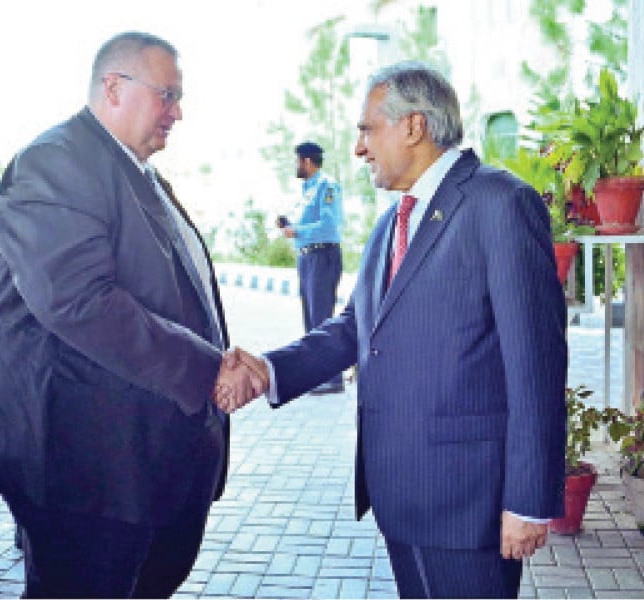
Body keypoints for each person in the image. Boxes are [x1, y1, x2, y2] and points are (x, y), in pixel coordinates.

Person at [221, 62, 567, 598]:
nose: (359, 148)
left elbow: (537, 365)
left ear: (413, 126)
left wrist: (529, 500)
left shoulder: (500, 203)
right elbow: (355, 326)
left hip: (467, 501)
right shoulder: (391, 221)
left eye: (366, 129)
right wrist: (269, 370)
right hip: (400, 492)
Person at [0, 31, 261, 598]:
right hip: (83, 469)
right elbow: (78, 300)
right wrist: (210, 370)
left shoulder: (133, 170)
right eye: (168, 94)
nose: (179, 112)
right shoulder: (55, 162)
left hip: (133, 463)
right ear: (114, 87)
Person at [277, 141, 345, 394]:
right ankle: (319, 374)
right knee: (311, 320)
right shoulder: (307, 190)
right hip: (306, 257)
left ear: (307, 161)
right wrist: (289, 225)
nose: (296, 166)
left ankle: (334, 378)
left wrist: (298, 230)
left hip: (322, 256)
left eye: (297, 161)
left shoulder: (326, 186)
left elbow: (330, 225)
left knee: (322, 318)